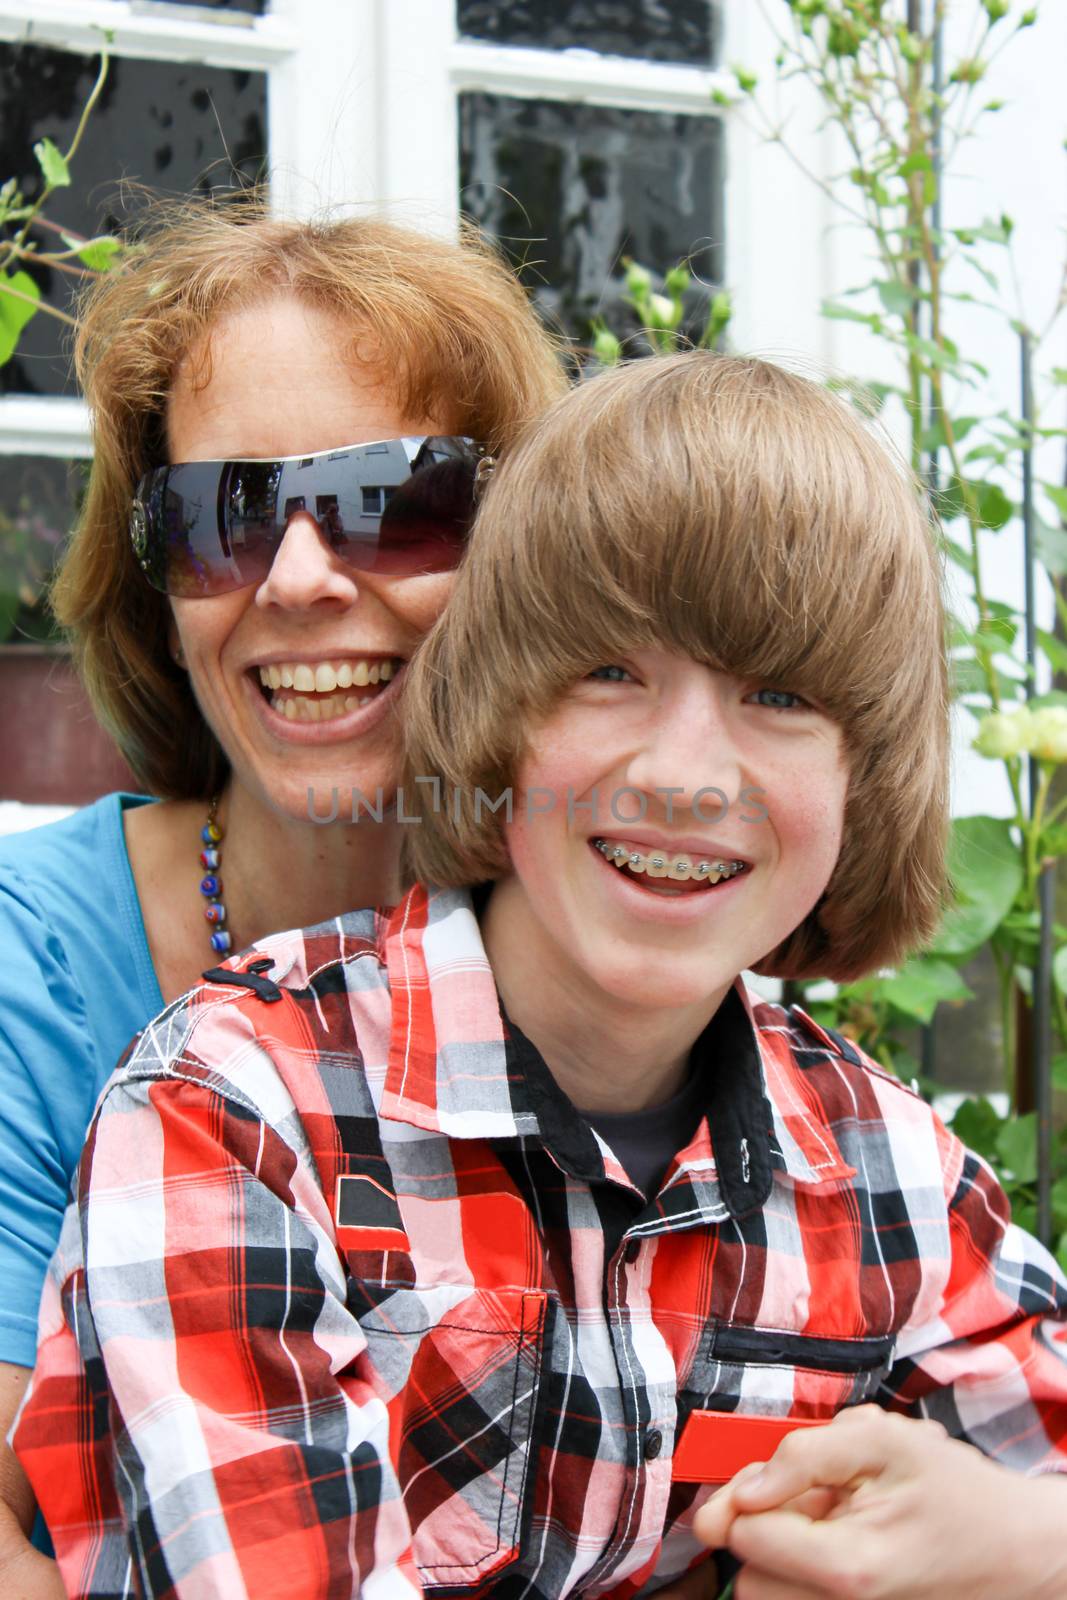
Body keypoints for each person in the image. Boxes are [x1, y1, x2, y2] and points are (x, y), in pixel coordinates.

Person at [13, 353, 1067, 1600]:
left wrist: (1009, 1543)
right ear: (494, 711)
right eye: (608, 672)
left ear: (863, 781)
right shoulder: (229, 1113)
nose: (686, 773)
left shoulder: (890, 1174)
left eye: (778, 695)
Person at [0, 199, 566, 1599]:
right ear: (156, 584)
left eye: (392, 500)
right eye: (224, 516)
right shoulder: (31, 957)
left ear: (526, 547)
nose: (303, 579)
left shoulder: (609, 934)